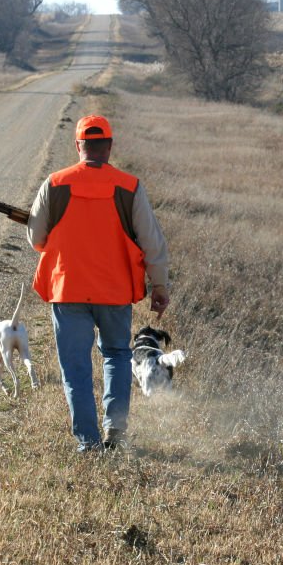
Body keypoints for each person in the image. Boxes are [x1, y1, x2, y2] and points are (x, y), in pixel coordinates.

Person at [26, 114, 170, 452]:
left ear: (78, 146)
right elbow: (152, 240)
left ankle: (88, 443)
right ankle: (115, 431)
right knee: (118, 356)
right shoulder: (129, 186)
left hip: (68, 289)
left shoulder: (55, 183)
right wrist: (159, 285)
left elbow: (36, 239)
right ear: (109, 146)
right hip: (114, 290)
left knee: (75, 367)